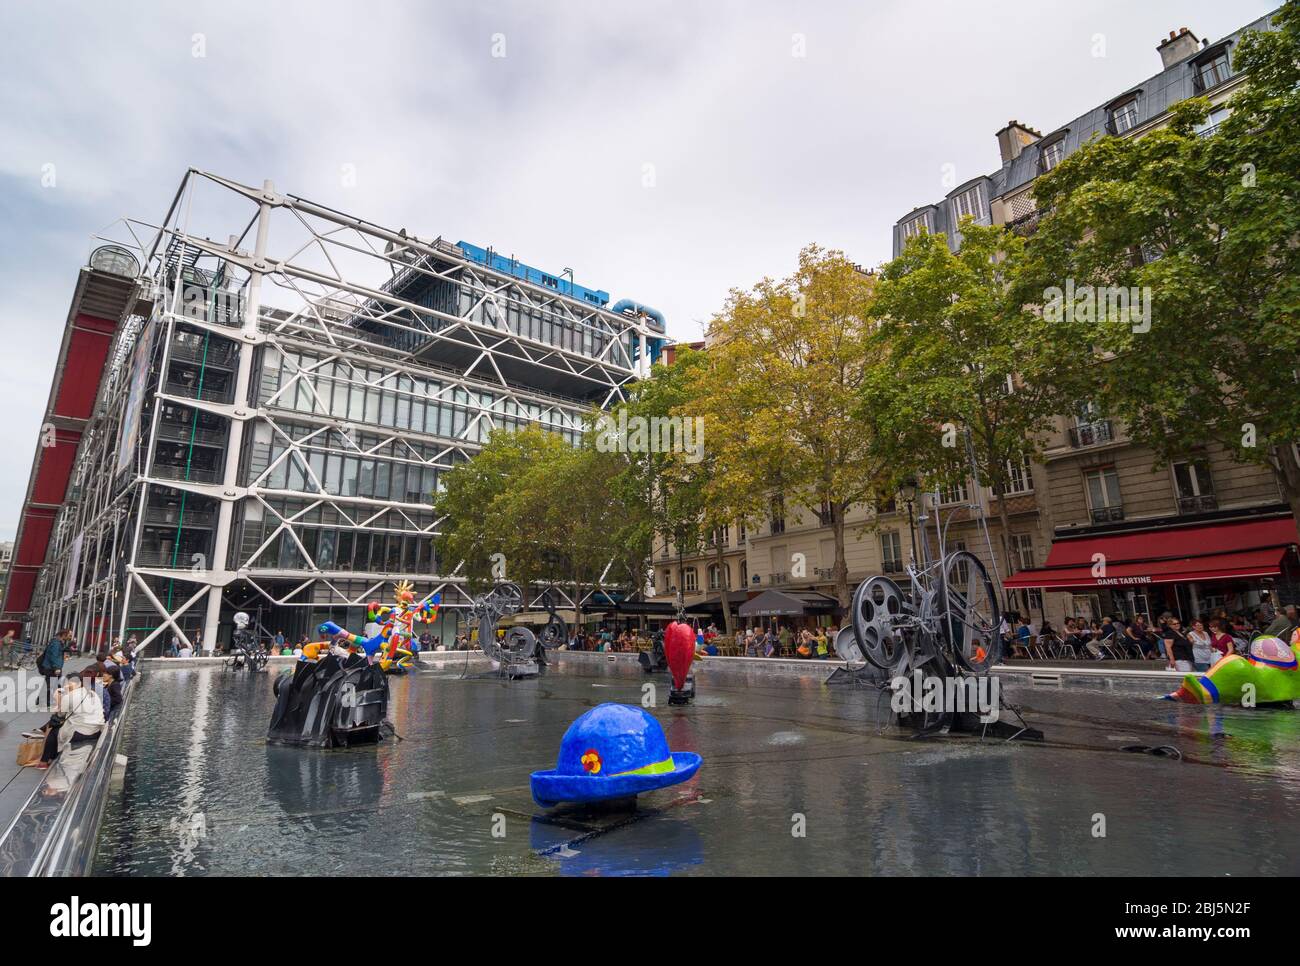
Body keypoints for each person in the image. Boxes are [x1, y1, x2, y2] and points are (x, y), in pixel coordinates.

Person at [35, 673, 105, 769]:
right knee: (61, 728)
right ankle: (50, 757)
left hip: (80, 733)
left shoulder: (68, 697)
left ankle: (44, 762)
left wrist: (58, 699)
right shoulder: (93, 693)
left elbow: (60, 715)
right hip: (97, 730)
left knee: (53, 731)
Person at [37, 630, 70, 708]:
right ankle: (46, 702)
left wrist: (67, 648)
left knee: (51, 684)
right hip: (52, 668)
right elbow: (53, 656)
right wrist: (56, 668)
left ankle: (42, 700)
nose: (70, 636)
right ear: (64, 635)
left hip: (52, 667)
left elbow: (59, 651)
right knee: (51, 685)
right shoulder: (56, 643)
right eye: (69, 635)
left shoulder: (59, 641)